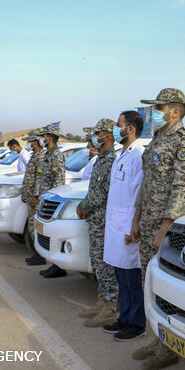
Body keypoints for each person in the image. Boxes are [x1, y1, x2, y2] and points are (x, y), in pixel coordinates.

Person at [130, 88, 185, 370]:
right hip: (148, 224)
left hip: (167, 230)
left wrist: (164, 230)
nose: (154, 113)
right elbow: (146, 184)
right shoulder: (158, 139)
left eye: (158, 107)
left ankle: (170, 347)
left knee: (165, 289)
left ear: (175, 111)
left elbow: (181, 192)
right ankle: (158, 339)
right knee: (150, 285)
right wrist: (137, 218)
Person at [102, 111, 146, 341]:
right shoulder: (123, 153)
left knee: (131, 277)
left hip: (127, 226)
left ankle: (137, 323)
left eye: (119, 125)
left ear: (130, 129)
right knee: (121, 275)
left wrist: (133, 226)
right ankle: (125, 317)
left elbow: (138, 192)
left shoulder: (138, 154)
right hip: (116, 224)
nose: (116, 130)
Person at [76, 118, 118, 327]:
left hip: (103, 220)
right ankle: (101, 300)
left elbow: (100, 192)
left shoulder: (111, 159)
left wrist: (84, 206)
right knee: (97, 262)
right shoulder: (101, 158)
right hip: (96, 219)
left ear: (108, 136)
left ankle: (111, 307)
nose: (94, 137)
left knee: (104, 263)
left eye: (97, 133)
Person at [35, 124, 67, 278]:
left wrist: (53, 205)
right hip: (45, 200)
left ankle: (58, 267)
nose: (42, 139)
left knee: (53, 234)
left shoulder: (56, 156)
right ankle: (54, 264)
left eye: (44, 136)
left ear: (51, 138)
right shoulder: (48, 154)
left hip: (52, 203)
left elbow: (59, 181)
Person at [22, 134, 46, 265]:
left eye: (30, 141)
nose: (28, 144)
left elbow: (39, 178)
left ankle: (39, 255)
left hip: (34, 198)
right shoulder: (34, 156)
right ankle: (36, 253)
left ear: (35, 142)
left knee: (34, 227)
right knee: (31, 226)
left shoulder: (40, 157)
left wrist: (35, 195)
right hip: (29, 195)